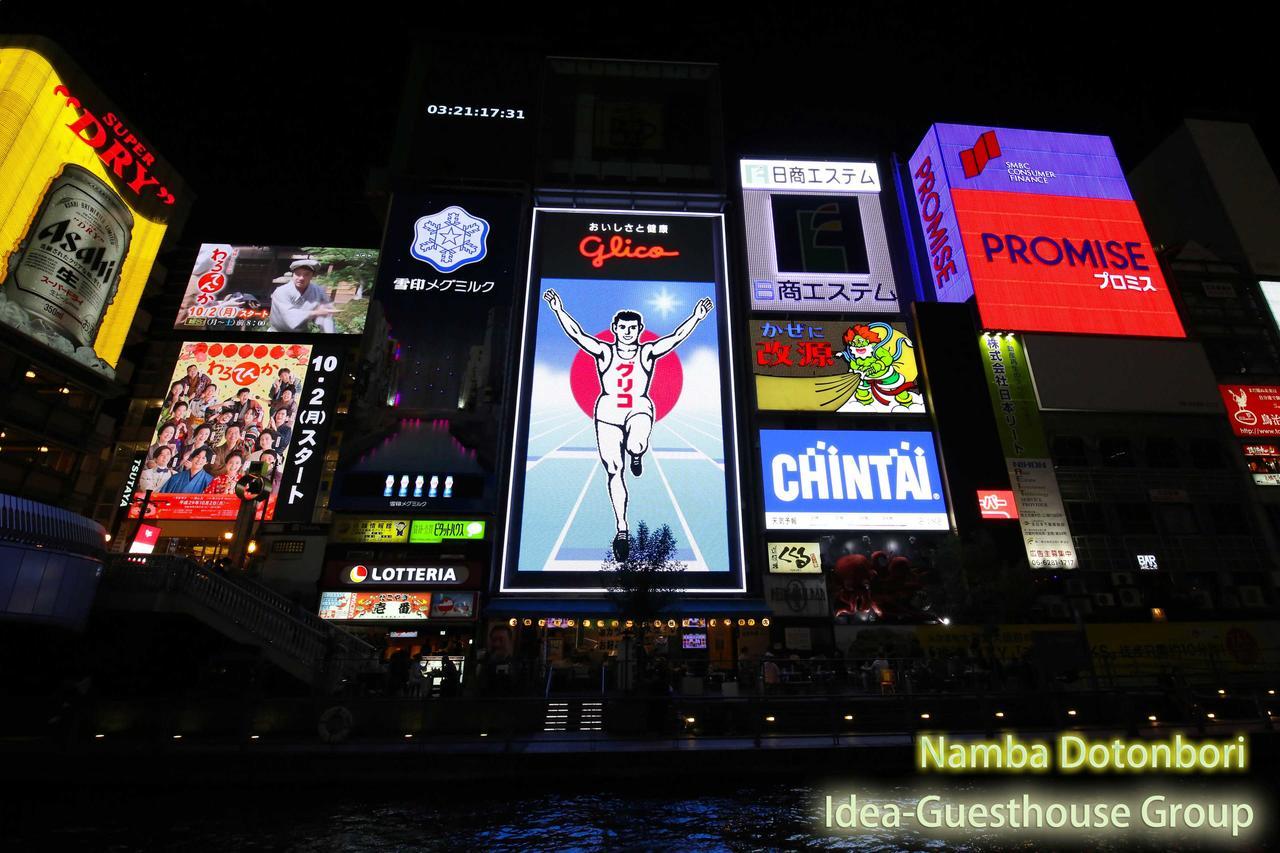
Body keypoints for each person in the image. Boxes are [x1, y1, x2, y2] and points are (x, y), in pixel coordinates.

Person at [542, 288, 714, 560]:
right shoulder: (604, 352)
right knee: (613, 469)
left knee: (637, 442)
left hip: (638, 408)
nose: (627, 332)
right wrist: (558, 309)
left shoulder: (647, 352)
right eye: (622, 328)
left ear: (639, 330)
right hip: (608, 412)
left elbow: (675, 338)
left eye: (632, 328)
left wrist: (697, 317)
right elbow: (577, 334)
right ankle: (622, 528)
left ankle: (637, 453)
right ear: (614, 329)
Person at [269, 259, 337, 333]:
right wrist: (316, 312)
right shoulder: (281, 291)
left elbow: (326, 314)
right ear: (293, 275)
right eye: (298, 274)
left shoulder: (318, 291)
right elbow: (290, 315)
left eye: (306, 274)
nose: (301, 278)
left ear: (312, 276)